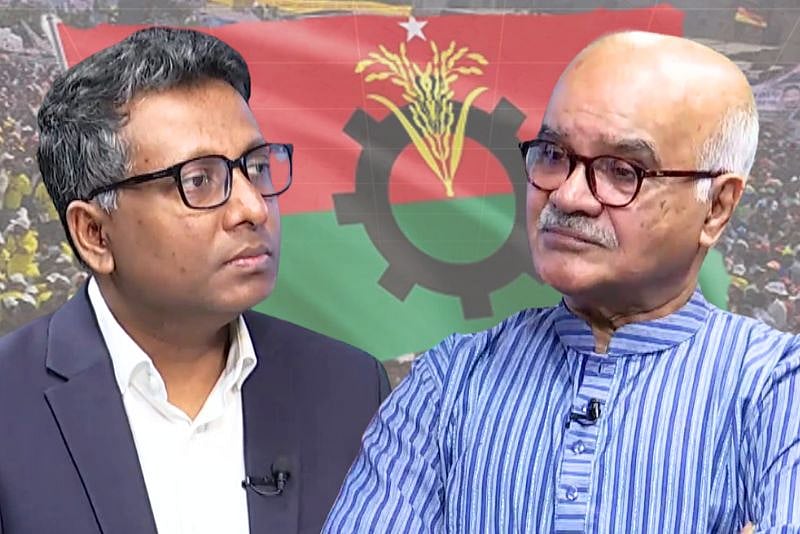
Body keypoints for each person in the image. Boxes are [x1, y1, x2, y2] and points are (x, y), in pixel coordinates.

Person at [324, 31, 800, 533]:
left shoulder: (776, 389)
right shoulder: (450, 383)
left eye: (622, 170)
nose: (569, 195)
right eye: (553, 155)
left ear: (717, 207)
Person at [0, 27, 389, 534]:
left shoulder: (349, 388)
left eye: (256, 167)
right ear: (95, 234)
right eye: (198, 180)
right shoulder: (11, 402)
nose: (252, 208)